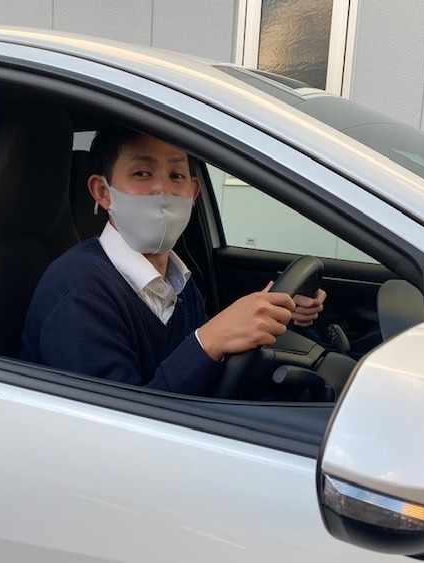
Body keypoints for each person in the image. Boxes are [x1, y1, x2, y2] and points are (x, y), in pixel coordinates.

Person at [20, 125, 326, 396]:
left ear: (193, 193)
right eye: (142, 173)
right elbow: (121, 427)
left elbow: (203, 376)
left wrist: (275, 314)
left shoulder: (178, 280)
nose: (163, 190)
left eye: (176, 175)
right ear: (103, 192)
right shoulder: (77, 292)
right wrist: (209, 340)